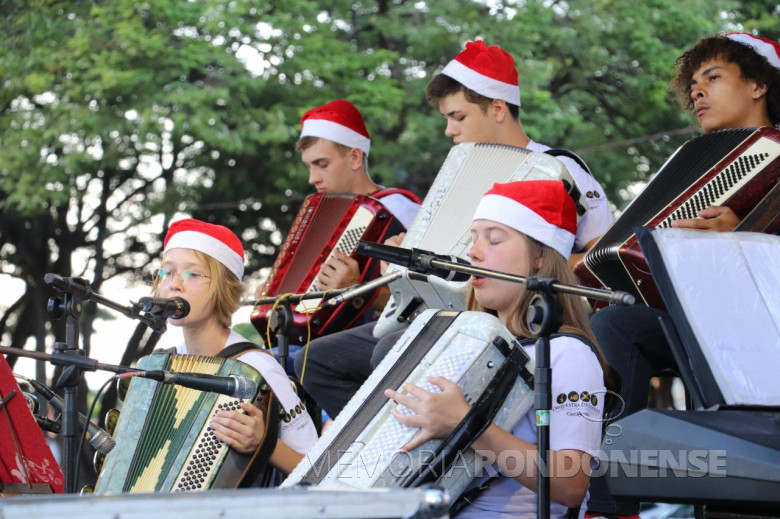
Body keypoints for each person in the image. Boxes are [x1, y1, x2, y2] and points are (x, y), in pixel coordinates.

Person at [295, 40, 614, 420]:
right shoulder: (456, 174)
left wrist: (533, 271)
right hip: (439, 313)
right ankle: (379, 451)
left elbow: (603, 260)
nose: (449, 130)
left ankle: (434, 448)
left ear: (497, 108)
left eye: (458, 117)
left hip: (518, 317)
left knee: (391, 352)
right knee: (313, 361)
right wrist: (406, 258)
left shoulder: (559, 168)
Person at [584, 32, 780, 519]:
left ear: (758, 85)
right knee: (612, 323)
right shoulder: (689, 163)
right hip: (699, 325)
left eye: (712, 78)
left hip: (763, 335)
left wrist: (748, 238)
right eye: (693, 83)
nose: (696, 92)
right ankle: (610, 502)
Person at [386, 180, 608, 517]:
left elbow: (571, 484)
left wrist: (467, 425)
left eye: (494, 239)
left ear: (539, 258)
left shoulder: (566, 353)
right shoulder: (464, 347)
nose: (473, 252)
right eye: (473, 238)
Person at [256, 99, 420, 373]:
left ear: (355, 157)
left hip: (376, 348)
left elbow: (423, 299)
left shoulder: (402, 211)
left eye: (322, 164)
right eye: (309, 166)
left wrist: (356, 288)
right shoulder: (318, 215)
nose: (312, 178)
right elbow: (306, 304)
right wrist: (275, 294)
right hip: (312, 344)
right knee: (259, 364)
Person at [155, 218, 318, 477]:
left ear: (223, 288)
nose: (174, 284)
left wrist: (265, 444)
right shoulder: (159, 366)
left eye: (192, 274)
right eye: (167, 272)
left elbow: (319, 469)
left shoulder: (257, 366)